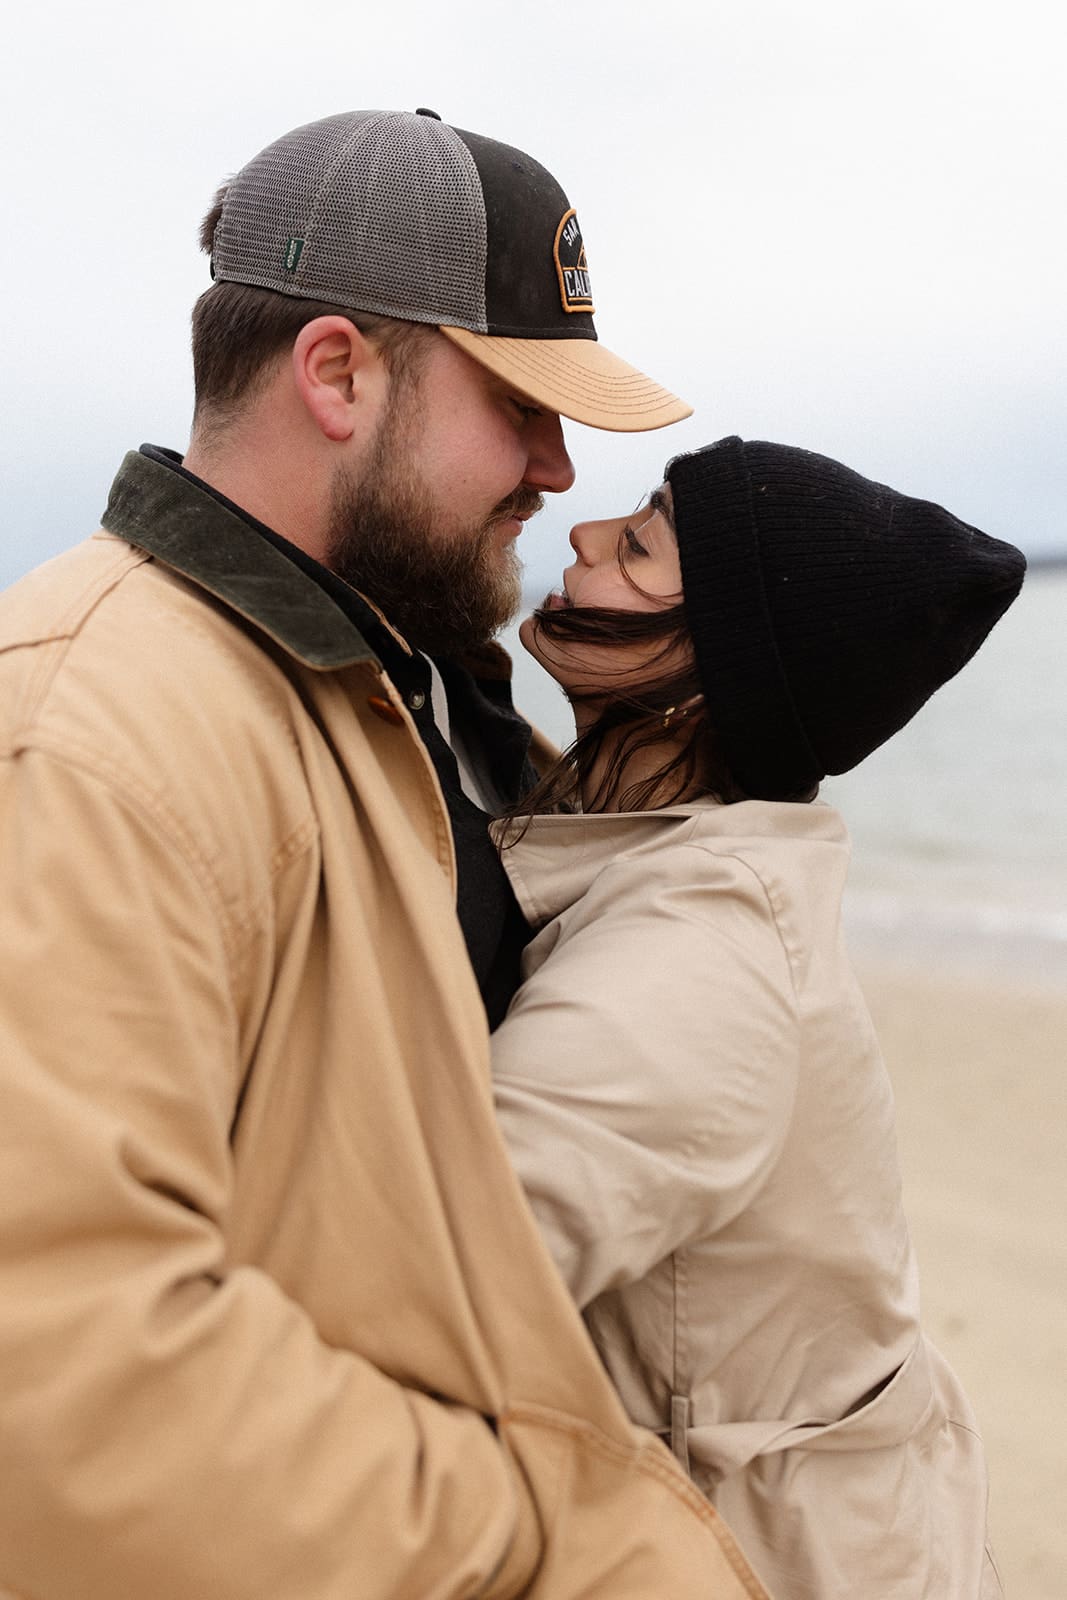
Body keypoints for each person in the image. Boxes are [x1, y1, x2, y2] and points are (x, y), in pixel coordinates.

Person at [0, 113, 768, 1600]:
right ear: (340, 374)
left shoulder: (400, 686)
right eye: (518, 404)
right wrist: (553, 1543)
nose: (557, 467)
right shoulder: (87, 732)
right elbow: (65, 1377)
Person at [491, 435, 1025, 1599]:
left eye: (636, 547)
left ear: (707, 678)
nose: (579, 536)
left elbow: (445, 1264)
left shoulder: (696, 961)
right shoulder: (666, 863)